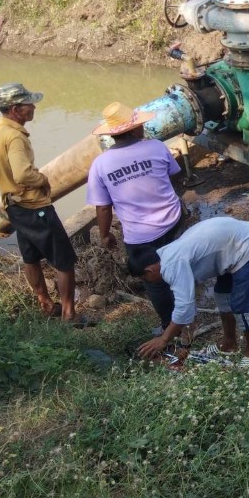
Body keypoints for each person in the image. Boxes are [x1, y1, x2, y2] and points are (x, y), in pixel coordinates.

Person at [86, 101, 185, 332]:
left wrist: (105, 235)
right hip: (173, 220)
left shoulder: (100, 164)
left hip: (140, 236)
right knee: (179, 265)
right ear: (134, 128)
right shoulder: (156, 146)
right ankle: (186, 306)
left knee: (155, 283)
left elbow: (103, 207)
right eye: (140, 124)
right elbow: (171, 175)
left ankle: (169, 325)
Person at [0, 83, 77, 322]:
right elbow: (23, 174)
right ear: (15, 109)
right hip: (34, 207)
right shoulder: (15, 137)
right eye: (29, 104)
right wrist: (42, 179)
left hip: (13, 206)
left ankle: (45, 304)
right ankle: (69, 314)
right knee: (64, 260)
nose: (33, 107)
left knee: (30, 257)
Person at [132, 216, 249, 363]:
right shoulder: (166, 255)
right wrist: (185, 345)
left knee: (242, 305)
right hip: (230, 246)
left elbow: (184, 308)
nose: (147, 282)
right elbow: (187, 304)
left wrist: (164, 339)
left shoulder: (171, 265)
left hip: (247, 244)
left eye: (144, 278)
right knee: (223, 297)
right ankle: (229, 344)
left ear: (149, 271)